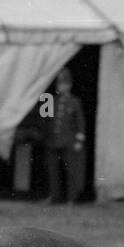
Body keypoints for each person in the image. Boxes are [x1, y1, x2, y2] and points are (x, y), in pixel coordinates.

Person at [45, 67, 87, 204]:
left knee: (70, 170)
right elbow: (44, 120)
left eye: (64, 84)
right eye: (59, 84)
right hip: (53, 140)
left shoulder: (75, 101)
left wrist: (79, 139)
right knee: (53, 171)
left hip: (68, 141)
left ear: (69, 85)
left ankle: (71, 198)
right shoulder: (50, 100)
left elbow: (80, 121)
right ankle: (54, 195)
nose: (62, 87)